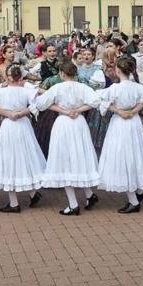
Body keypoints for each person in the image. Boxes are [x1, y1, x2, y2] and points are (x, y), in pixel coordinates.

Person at [33, 61, 101, 216]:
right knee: (79, 157)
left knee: (64, 160)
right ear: (75, 73)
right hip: (78, 123)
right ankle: (89, 195)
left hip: (63, 124)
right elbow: (95, 102)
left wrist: (62, 110)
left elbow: (40, 104)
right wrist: (77, 110)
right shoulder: (83, 87)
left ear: (62, 74)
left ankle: (73, 204)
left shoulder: (56, 88)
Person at [94, 57, 143, 213]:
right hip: (134, 124)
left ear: (118, 71)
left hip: (120, 124)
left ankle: (134, 200)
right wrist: (133, 111)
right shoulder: (138, 87)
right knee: (136, 155)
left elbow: (101, 101)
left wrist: (119, 111)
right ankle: (140, 190)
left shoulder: (114, 88)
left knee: (123, 158)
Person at [0, 65, 45, 212]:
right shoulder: (27, 91)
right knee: (25, 156)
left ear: (8, 77)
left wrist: (7, 113)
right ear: (20, 77)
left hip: (9, 126)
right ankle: (33, 194)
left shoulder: (0, 91)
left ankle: (14, 203)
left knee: (9, 158)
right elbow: (37, 105)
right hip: (23, 125)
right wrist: (21, 113)